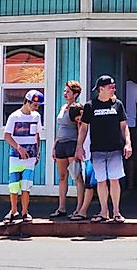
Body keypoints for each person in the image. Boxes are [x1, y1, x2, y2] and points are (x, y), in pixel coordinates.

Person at [75, 75, 132, 223]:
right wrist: (79, 146)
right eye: (110, 87)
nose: (113, 89)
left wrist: (128, 143)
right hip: (97, 149)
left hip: (115, 149)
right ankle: (103, 211)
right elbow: (83, 128)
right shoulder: (90, 106)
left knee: (114, 179)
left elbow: (124, 126)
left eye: (114, 87)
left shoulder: (117, 104)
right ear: (101, 89)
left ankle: (117, 212)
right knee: (101, 181)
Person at [3, 89, 44, 224]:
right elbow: (7, 136)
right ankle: (13, 210)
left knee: (26, 184)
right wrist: (18, 148)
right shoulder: (15, 116)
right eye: (33, 104)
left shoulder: (36, 116)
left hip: (30, 156)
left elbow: (37, 135)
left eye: (37, 105)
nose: (35, 107)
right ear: (27, 101)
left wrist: (38, 152)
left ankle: (25, 212)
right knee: (14, 184)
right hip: (16, 156)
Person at [49, 80, 83, 218]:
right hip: (61, 144)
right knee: (62, 176)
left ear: (75, 94)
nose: (65, 94)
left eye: (68, 92)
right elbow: (60, 128)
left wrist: (79, 147)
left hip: (71, 144)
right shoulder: (63, 107)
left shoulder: (77, 108)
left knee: (77, 176)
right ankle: (61, 207)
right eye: (65, 91)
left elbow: (81, 128)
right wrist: (54, 146)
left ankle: (79, 208)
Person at [67, 103, 96, 221]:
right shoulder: (82, 126)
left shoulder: (92, 121)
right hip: (86, 155)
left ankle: (83, 210)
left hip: (94, 153)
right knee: (88, 183)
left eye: (79, 119)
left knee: (91, 184)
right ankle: (81, 209)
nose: (79, 122)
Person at [123, 75, 137, 189]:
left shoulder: (113, 86)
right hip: (130, 124)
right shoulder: (135, 87)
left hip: (115, 125)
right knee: (131, 155)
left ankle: (118, 183)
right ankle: (130, 183)